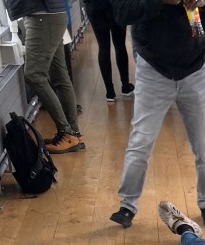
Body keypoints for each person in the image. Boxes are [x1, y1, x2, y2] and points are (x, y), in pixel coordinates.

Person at [109, 0, 205, 229]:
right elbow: (122, 12)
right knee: (141, 141)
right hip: (153, 67)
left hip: (195, 67)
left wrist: (204, 2)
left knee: (204, 145)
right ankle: (127, 206)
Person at [19, 0, 85, 155]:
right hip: (50, 15)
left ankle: (66, 132)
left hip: (42, 17)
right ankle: (73, 134)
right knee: (59, 75)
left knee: (34, 74)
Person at [84, 0, 134, 102]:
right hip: (115, 6)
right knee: (120, 46)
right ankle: (125, 86)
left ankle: (110, 92)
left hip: (94, 6)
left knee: (103, 47)